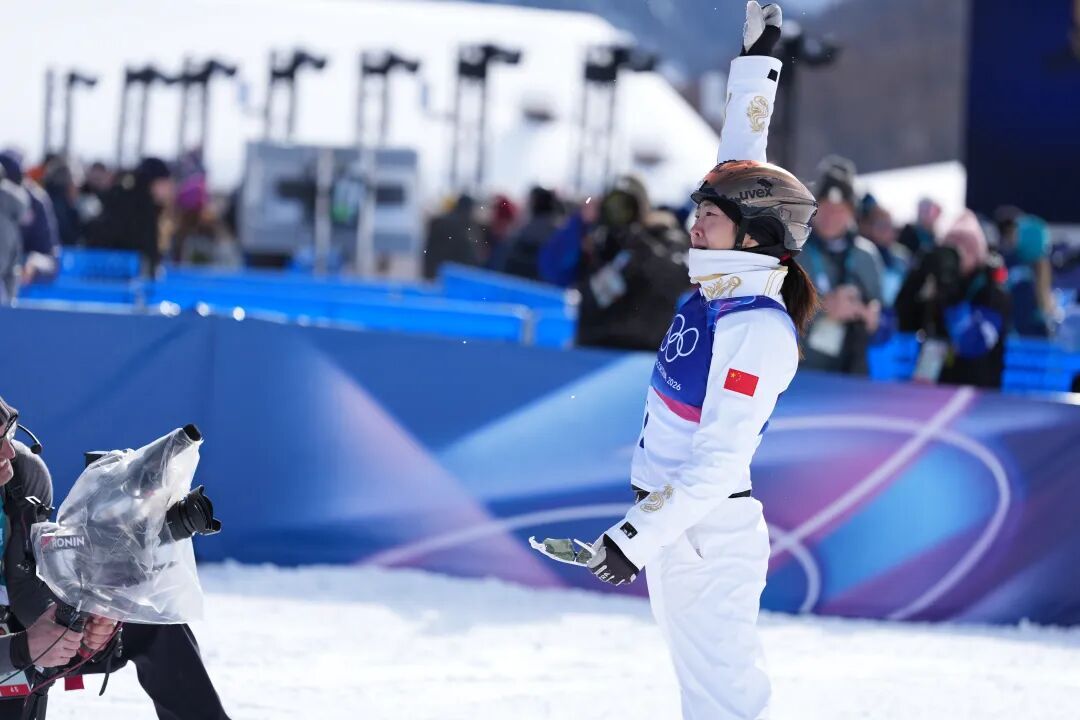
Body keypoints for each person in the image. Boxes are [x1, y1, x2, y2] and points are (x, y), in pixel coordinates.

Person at [539, 5, 817, 718]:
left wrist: (634, 538)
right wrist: (758, 63)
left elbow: (719, 463)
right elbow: (741, 160)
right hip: (678, 532)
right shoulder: (722, 285)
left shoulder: (756, 328)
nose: (695, 223)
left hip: (705, 536)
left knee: (724, 704)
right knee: (707, 700)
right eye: (698, 210)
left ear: (752, 238)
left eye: (710, 216)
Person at [0, 395, 231, 719]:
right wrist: (21, 648)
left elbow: (23, 580)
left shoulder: (22, 475)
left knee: (150, 621)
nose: (9, 452)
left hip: (15, 632)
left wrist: (86, 617)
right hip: (9, 652)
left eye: (8, 434)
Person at [894, 211, 1012, 388]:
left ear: (978, 251)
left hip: (977, 392)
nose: (959, 251)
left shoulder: (991, 291)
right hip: (933, 387)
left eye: (967, 245)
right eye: (952, 244)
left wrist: (949, 293)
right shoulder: (935, 283)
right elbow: (904, 323)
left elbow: (973, 344)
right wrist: (918, 274)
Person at [795, 155, 884, 374]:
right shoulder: (794, 251)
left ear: (852, 212)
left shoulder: (866, 256)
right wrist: (823, 308)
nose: (831, 217)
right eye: (825, 207)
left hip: (851, 377)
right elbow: (773, 310)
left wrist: (874, 318)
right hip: (799, 374)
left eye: (839, 209)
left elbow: (888, 323)